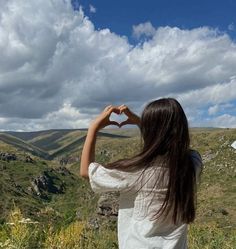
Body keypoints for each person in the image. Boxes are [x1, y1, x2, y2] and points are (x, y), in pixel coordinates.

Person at [80, 98, 202, 249]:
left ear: (150, 131)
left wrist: (93, 128)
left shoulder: (136, 172)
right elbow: (165, 144)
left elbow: (86, 171)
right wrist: (141, 122)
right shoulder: (193, 163)